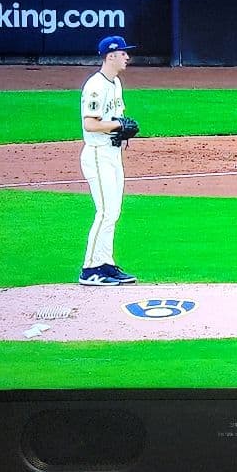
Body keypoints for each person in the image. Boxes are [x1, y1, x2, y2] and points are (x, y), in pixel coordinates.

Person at [79, 36, 139, 286]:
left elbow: (115, 118)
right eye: (123, 53)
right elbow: (90, 124)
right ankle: (89, 270)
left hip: (113, 154)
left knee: (113, 212)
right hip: (97, 154)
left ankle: (105, 263)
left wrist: (120, 127)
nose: (127, 57)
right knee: (104, 212)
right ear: (110, 56)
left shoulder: (115, 83)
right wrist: (117, 126)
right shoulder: (96, 86)